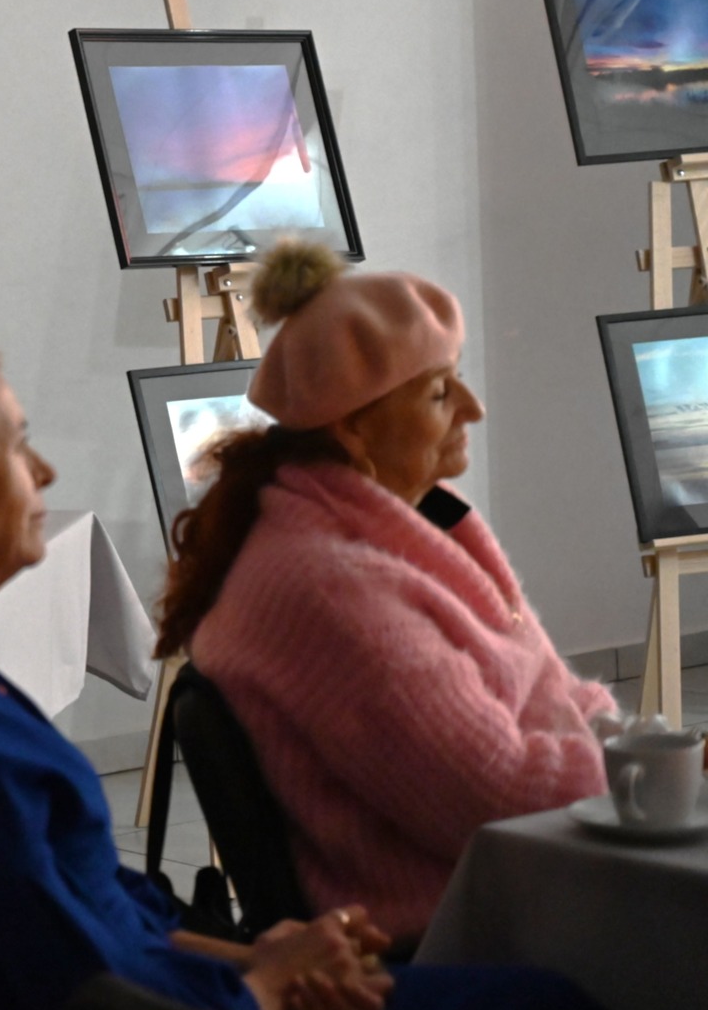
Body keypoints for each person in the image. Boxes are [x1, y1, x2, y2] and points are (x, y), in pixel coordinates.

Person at [0, 318, 608, 1010]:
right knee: (556, 1001)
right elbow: (75, 993)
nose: (44, 472)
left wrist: (259, 950)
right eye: (18, 443)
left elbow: (81, 917)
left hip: (188, 981)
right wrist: (267, 984)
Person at [155, 241, 616, 945]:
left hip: (517, 890)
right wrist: (643, 771)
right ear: (352, 427)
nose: (473, 408)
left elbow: (551, 691)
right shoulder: (326, 588)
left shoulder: (406, 524)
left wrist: (635, 748)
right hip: (458, 938)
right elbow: (497, 798)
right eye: (439, 393)